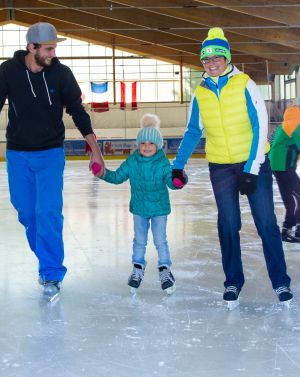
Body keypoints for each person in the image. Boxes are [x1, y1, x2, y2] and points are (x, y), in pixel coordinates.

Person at [172, 27, 293, 307]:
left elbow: (259, 125)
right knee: (228, 224)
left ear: (227, 57)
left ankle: (281, 282)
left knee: (265, 223)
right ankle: (232, 282)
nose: (211, 63)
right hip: (221, 167)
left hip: (254, 164)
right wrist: (178, 165)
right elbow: (193, 131)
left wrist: (252, 168)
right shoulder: (200, 92)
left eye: (217, 57)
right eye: (206, 59)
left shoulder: (244, 83)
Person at [0, 22, 105, 299]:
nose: (53, 53)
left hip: (50, 154)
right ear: (31, 47)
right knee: (26, 212)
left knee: (47, 212)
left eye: (54, 47)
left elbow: (77, 111)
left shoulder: (61, 73)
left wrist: (95, 148)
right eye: (48, 48)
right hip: (18, 154)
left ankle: (50, 271)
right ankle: (47, 258)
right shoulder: (8, 72)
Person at [98, 114, 182, 294]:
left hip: (159, 209)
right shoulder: (132, 161)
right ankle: (137, 268)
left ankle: (165, 270)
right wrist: (103, 173)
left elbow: (170, 181)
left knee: (160, 241)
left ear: (158, 145)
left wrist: (178, 181)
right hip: (139, 208)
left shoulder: (162, 162)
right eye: (143, 143)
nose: (147, 146)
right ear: (138, 145)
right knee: (139, 240)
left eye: (151, 143)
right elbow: (117, 177)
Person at [269, 105, 300, 243]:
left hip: (280, 166)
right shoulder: (296, 124)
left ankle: (292, 229)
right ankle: (289, 229)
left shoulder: (287, 123)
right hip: (284, 166)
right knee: (295, 198)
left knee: (294, 197)